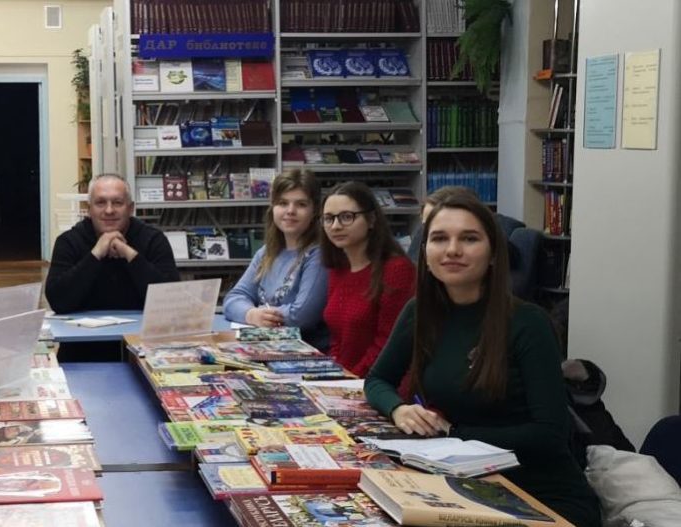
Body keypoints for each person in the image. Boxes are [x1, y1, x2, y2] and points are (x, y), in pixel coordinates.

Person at [363, 192, 601, 527]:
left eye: (469, 238)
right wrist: (398, 409)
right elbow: (377, 380)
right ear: (425, 252)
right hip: (463, 484)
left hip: (539, 494)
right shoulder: (419, 312)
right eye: (439, 238)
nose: (452, 249)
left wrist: (454, 433)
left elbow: (550, 434)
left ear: (493, 254)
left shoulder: (528, 322)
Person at [44, 173, 180, 361]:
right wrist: (95, 254)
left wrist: (130, 255)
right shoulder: (68, 242)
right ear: (89, 209)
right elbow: (58, 301)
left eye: (117, 203)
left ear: (130, 208)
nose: (109, 210)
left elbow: (172, 301)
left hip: (146, 350)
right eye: (100, 203)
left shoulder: (153, 240)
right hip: (81, 350)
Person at [222, 169, 328, 348]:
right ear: (273, 207)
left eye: (301, 204)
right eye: (282, 203)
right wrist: (251, 314)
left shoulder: (318, 254)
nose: (290, 211)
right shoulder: (267, 252)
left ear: (315, 210)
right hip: (266, 346)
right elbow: (234, 298)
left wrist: (262, 313)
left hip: (303, 351)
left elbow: (302, 316)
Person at [320, 182, 415, 376]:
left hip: (378, 382)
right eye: (329, 218)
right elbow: (337, 338)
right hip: (342, 378)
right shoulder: (338, 270)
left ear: (371, 220)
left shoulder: (397, 270)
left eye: (347, 217)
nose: (335, 226)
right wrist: (334, 374)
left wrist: (353, 378)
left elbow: (388, 343)